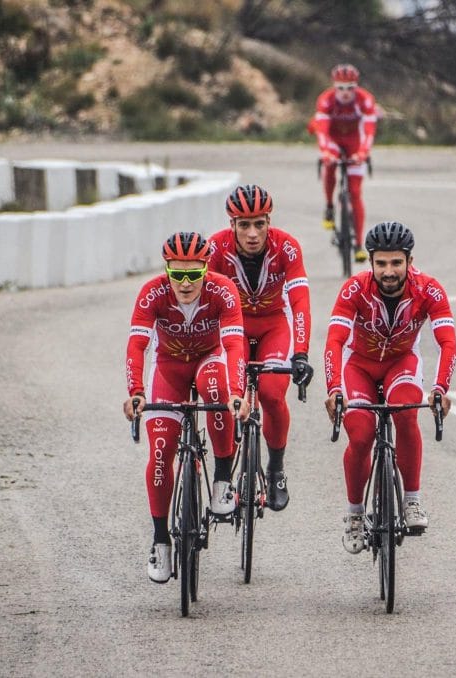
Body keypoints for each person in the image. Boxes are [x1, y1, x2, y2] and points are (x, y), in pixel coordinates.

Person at [123, 231, 251, 583]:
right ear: (166, 270)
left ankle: (223, 478)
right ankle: (161, 540)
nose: (184, 283)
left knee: (215, 389)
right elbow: (137, 346)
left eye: (192, 274)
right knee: (162, 452)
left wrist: (237, 393)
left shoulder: (222, 289)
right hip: (168, 368)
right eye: (176, 274)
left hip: (210, 360)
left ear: (205, 269)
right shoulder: (152, 292)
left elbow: (235, 346)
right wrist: (136, 391)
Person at [322, 221, 456, 554]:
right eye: (381, 263)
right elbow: (335, 342)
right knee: (362, 434)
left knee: (406, 414)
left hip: (401, 363)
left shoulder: (429, 290)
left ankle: (411, 500)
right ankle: (355, 514)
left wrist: (440, 388)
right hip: (359, 367)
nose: (389, 270)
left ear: (409, 261)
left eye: (396, 262)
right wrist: (334, 388)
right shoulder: (354, 289)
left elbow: (448, 343)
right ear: (370, 262)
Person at [207, 184, 314, 511]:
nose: (253, 233)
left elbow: (300, 303)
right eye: (244, 225)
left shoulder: (287, 247)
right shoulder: (215, 248)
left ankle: (276, 467)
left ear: (269, 222)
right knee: (221, 396)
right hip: (232, 328)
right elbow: (205, 300)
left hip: (273, 327)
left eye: (260, 224)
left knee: (270, 392)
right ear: (232, 225)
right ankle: (222, 471)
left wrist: (300, 354)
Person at [309, 63, 378, 263]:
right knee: (330, 165)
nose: (345, 93)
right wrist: (325, 152)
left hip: (355, 143)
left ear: (356, 87)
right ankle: (330, 206)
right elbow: (321, 130)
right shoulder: (326, 100)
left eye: (350, 88)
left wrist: (363, 153)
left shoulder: (365, 100)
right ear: (334, 86)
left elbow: (369, 130)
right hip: (333, 140)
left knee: (355, 193)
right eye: (340, 88)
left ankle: (358, 244)